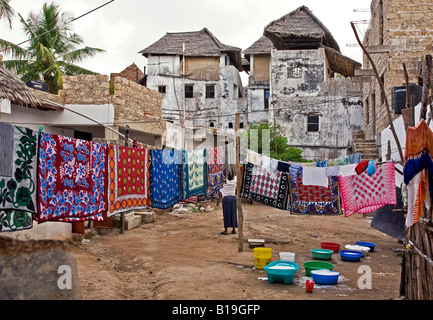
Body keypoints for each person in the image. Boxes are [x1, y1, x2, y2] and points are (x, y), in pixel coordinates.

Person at [219, 170, 238, 235]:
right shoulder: (235, 181)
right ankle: (233, 229)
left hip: (226, 199)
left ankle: (226, 230)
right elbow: (235, 175)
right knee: (233, 213)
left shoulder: (224, 182)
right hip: (233, 198)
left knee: (226, 214)